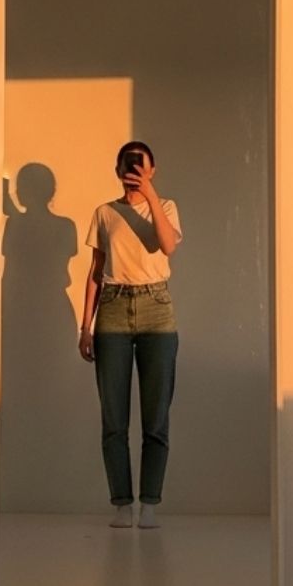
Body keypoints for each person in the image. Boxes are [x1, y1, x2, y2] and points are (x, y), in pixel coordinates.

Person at [78, 141, 182, 529]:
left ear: (153, 169)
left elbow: (167, 245)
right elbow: (94, 271)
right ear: (117, 168)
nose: (133, 169)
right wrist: (84, 326)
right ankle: (121, 503)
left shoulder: (166, 207)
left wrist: (150, 195)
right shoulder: (105, 213)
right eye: (127, 163)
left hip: (157, 310)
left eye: (141, 164)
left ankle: (150, 502)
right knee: (113, 417)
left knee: (156, 417)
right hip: (113, 309)